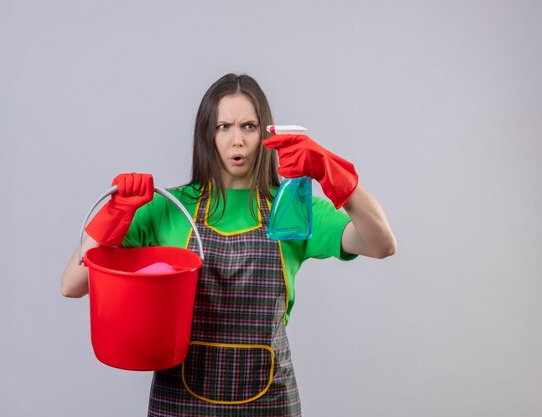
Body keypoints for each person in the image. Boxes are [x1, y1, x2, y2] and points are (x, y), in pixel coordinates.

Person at [61, 73, 396, 416]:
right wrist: (113, 214)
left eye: (249, 127)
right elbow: (73, 284)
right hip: (180, 404)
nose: (237, 141)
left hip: (269, 405)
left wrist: (334, 174)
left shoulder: (294, 213)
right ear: (207, 134)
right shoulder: (167, 209)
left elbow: (381, 244)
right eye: (224, 126)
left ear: (266, 134)